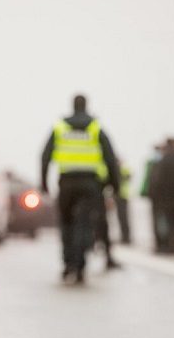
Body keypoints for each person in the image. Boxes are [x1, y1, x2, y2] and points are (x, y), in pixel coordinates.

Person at [41, 95, 120, 284]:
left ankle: (68, 263)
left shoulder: (60, 128)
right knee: (85, 223)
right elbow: (110, 158)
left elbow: (45, 156)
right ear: (86, 106)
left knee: (67, 223)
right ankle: (80, 265)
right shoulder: (95, 128)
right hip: (90, 184)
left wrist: (43, 183)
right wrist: (114, 184)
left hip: (66, 182)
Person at [115, 161, 132, 245]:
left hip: (123, 196)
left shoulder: (123, 169)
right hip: (118, 196)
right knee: (121, 217)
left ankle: (126, 237)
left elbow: (129, 176)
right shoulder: (119, 169)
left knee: (123, 217)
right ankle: (124, 236)